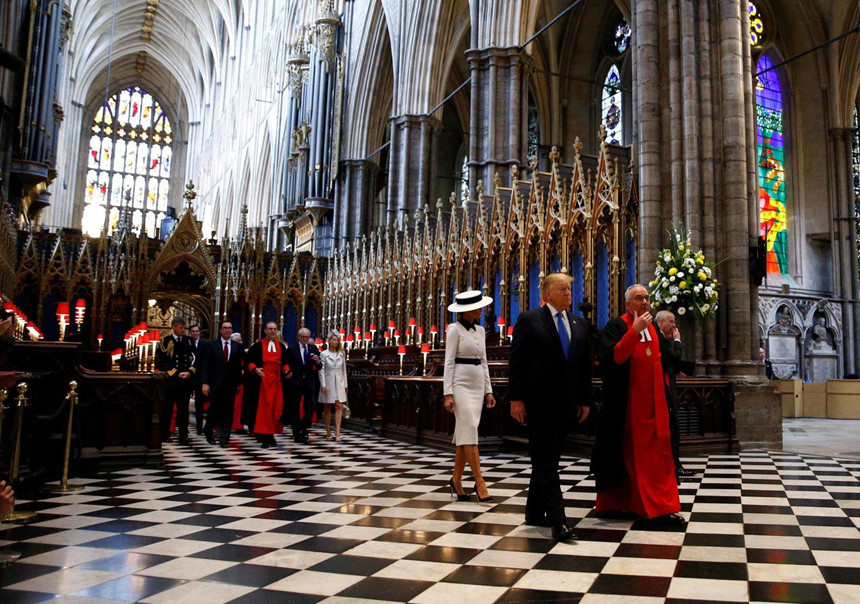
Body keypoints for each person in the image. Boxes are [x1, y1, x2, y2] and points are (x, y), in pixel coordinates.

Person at [591, 284, 684, 527]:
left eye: (647, 298)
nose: (644, 302)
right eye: (638, 298)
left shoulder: (653, 327)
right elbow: (612, 359)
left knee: (658, 459)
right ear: (628, 304)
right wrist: (633, 331)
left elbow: (664, 361)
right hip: (628, 407)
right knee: (634, 460)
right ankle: (639, 506)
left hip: (656, 407)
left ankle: (661, 506)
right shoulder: (616, 326)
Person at [509, 273, 592, 541]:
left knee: (548, 459)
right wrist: (516, 398)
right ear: (547, 294)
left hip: (566, 404)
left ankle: (533, 513)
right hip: (538, 403)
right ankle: (559, 521)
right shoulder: (530, 319)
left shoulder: (579, 323)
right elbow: (517, 362)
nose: (568, 293)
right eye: (562, 289)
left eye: (569, 288)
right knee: (545, 460)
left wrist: (585, 400)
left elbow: (584, 367)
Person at [444, 290, 496, 502]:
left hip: (476, 384)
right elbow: (448, 362)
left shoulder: (481, 330)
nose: (481, 310)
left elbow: (483, 362)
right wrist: (447, 392)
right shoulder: (454, 330)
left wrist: (488, 390)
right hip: (460, 383)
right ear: (468, 310)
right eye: (478, 307)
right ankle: (480, 481)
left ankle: (456, 479)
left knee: (466, 433)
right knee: (470, 430)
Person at [655, 310, 696, 479]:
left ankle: (674, 463)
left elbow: (669, 361)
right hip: (663, 391)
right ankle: (674, 465)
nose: (674, 326)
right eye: (671, 322)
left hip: (666, 387)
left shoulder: (661, 339)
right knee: (672, 428)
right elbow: (675, 356)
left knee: (674, 428)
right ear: (661, 323)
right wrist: (678, 340)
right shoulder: (660, 339)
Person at [243, 322, 292, 448]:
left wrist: (286, 370)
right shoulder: (257, 346)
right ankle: (265, 436)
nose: (272, 331)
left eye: (274, 329)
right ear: (265, 331)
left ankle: (270, 434)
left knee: (276, 407)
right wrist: (255, 369)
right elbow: (249, 362)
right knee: (263, 409)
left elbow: (285, 362)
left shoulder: (281, 346)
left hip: (277, 381)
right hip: (262, 381)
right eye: (270, 329)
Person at [200, 321, 245, 447]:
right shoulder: (212, 345)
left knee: (228, 412)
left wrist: (237, 383)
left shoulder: (237, 346)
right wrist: (205, 383)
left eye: (229, 328)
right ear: (220, 330)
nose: (227, 330)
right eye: (224, 328)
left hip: (230, 384)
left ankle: (224, 438)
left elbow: (238, 367)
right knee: (213, 410)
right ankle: (209, 431)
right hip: (215, 384)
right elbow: (206, 366)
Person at [154, 317, 196, 445]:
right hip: (171, 382)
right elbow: (161, 362)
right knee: (167, 409)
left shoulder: (189, 341)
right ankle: (165, 434)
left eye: (184, 328)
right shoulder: (165, 342)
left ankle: (183, 436)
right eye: (180, 328)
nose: (183, 330)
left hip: (185, 382)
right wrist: (176, 373)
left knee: (184, 410)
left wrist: (190, 372)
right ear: (174, 327)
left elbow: (195, 358)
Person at [284, 327, 321, 444]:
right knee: (294, 407)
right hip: (296, 381)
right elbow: (286, 363)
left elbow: (320, 366)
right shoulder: (291, 349)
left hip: (309, 382)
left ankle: (304, 427)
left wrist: (317, 361)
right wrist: (288, 373)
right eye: (303, 337)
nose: (305, 339)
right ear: (298, 337)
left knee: (312, 405)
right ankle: (296, 433)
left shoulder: (313, 348)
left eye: (307, 337)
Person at [319, 331, 348, 441]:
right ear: (329, 341)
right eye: (333, 340)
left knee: (339, 405)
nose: (335, 342)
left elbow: (343, 370)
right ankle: (328, 431)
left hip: (339, 382)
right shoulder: (324, 354)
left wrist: (345, 385)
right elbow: (321, 370)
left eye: (337, 340)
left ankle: (338, 431)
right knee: (327, 406)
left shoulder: (341, 354)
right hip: (328, 381)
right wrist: (323, 384)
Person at [189, 324, 207, 434]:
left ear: (199, 332)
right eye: (193, 331)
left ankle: (199, 427)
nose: (195, 333)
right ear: (190, 333)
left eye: (196, 331)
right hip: (188, 376)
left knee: (199, 403)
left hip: (199, 377)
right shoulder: (186, 343)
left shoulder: (204, 345)